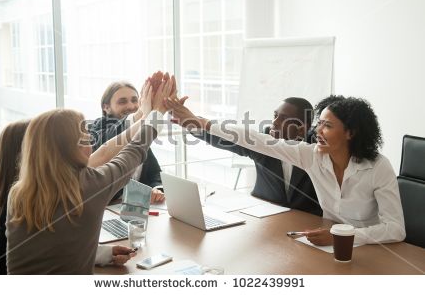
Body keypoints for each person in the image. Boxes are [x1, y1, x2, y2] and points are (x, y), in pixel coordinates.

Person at [166, 95, 406, 246]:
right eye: (319, 123)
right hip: (324, 244)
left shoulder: (378, 166)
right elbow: (254, 139)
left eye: (328, 126)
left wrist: (345, 236)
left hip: (373, 247)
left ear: (350, 133)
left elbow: (396, 229)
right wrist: (200, 122)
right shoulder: (311, 156)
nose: (319, 131)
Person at [5, 76, 174, 274]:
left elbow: (51, 249)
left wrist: (102, 254)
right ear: (67, 149)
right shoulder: (91, 185)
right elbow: (134, 149)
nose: (90, 147)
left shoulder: (18, 192)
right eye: (85, 140)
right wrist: (157, 113)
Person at [190, 97, 322, 216]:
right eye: (275, 116)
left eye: (283, 119)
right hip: (263, 212)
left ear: (302, 128)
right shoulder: (264, 139)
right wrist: (190, 123)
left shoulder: (316, 148)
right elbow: (227, 139)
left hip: (306, 219)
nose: (274, 122)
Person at [89, 73, 170, 204]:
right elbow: (113, 139)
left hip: (137, 210)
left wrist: (156, 189)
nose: (131, 106)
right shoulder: (100, 126)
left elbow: (155, 173)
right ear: (106, 107)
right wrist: (143, 114)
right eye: (122, 101)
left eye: (134, 100)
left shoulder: (140, 133)